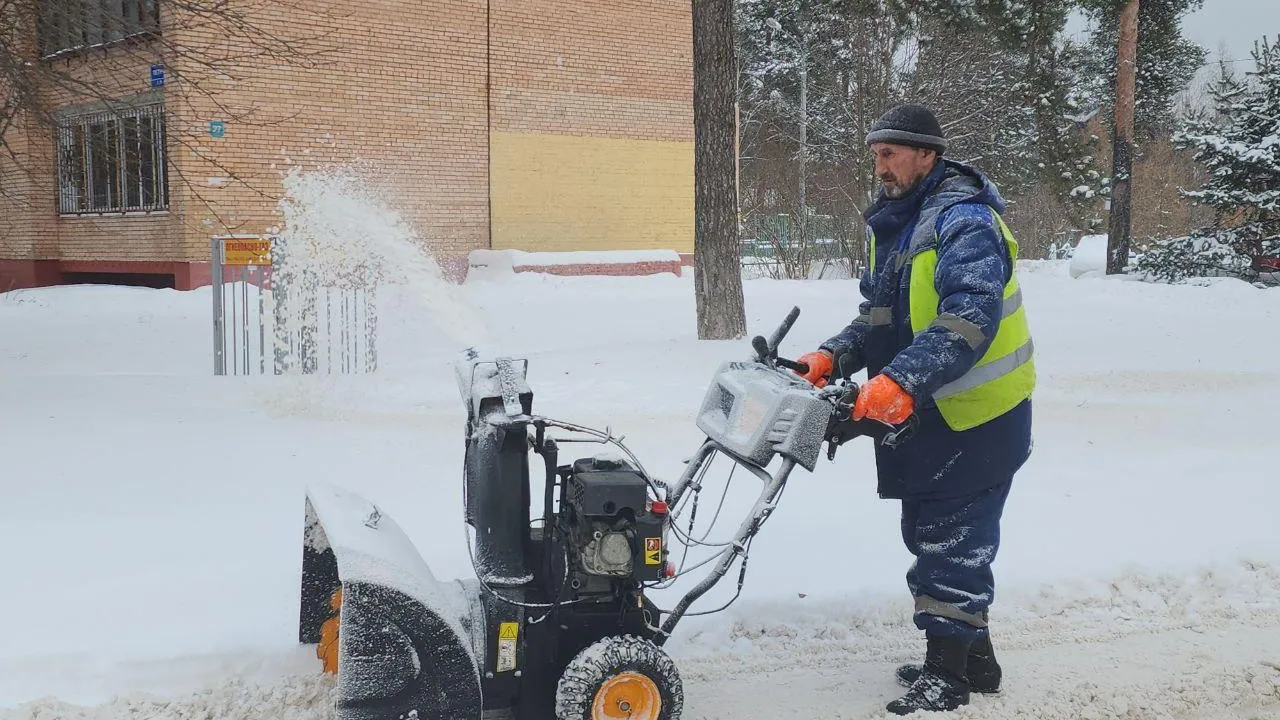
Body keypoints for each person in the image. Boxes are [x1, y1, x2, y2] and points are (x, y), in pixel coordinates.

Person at [795, 103, 1035, 715]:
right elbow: (878, 318)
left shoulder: (965, 221)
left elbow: (968, 318)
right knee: (930, 531)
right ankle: (976, 662)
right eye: (875, 154)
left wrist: (901, 379)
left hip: (977, 413)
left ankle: (947, 675)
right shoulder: (897, 227)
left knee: (953, 540)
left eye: (891, 153)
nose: (879, 166)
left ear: (927, 155)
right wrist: (831, 356)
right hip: (927, 408)